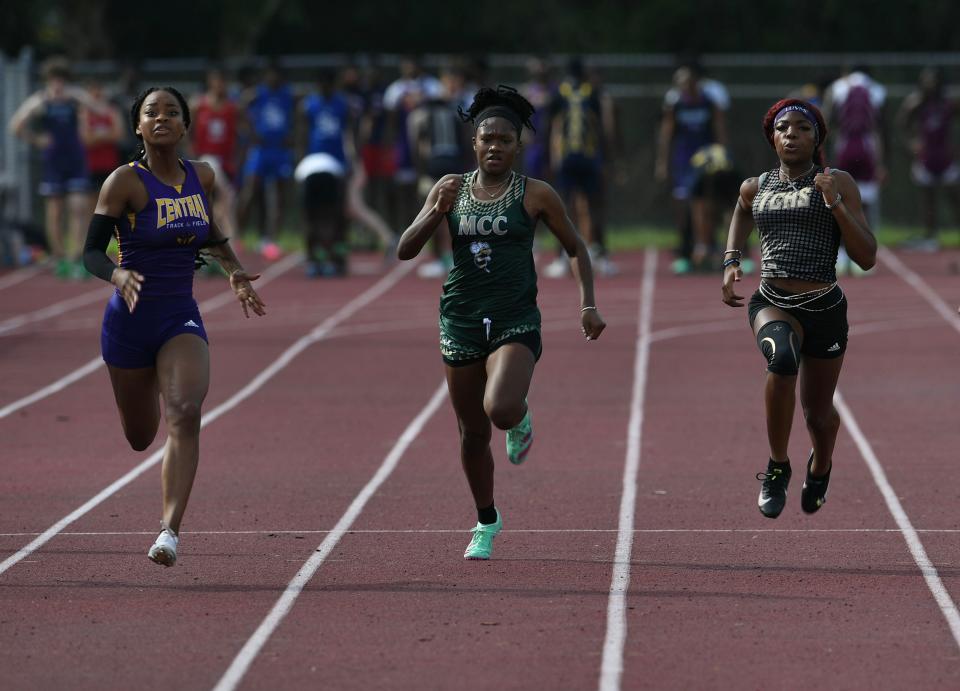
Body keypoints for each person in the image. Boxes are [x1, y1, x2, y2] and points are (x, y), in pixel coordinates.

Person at [397, 86, 606, 560]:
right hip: (460, 318)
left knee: (501, 408)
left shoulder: (536, 194)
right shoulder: (448, 187)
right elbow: (405, 250)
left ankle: (520, 416)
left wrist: (587, 304)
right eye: (487, 138)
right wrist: (434, 211)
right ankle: (486, 520)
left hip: (514, 317)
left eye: (505, 140)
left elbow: (574, 247)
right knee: (472, 433)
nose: (495, 147)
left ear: (519, 146)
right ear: (473, 142)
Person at [82, 86, 266, 566]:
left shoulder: (200, 176)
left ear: (186, 125)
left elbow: (208, 232)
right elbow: (88, 253)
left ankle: (169, 532)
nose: (161, 118)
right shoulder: (124, 182)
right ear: (137, 127)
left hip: (178, 314)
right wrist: (117, 272)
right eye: (151, 113)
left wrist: (235, 273)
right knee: (141, 435)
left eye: (172, 112)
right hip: (128, 321)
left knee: (185, 411)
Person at [721, 99, 876, 519]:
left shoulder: (836, 181)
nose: (792, 134)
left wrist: (834, 204)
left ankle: (820, 466)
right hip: (772, 300)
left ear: (818, 138)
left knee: (819, 415)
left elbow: (867, 257)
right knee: (782, 358)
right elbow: (740, 210)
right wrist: (732, 259)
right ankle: (777, 466)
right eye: (783, 128)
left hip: (824, 305)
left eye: (802, 128)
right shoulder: (757, 185)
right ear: (772, 137)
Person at [8, 56, 97, 278]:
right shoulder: (40, 101)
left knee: (78, 207)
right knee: (55, 211)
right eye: (54, 80)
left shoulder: (74, 99)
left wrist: (80, 98)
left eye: (62, 81)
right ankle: (59, 256)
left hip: (75, 160)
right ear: (48, 81)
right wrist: (36, 139)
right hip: (53, 162)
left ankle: (76, 255)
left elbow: (98, 107)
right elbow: (15, 125)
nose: (58, 85)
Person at [656, 64, 727, 274]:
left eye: (686, 81)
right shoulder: (676, 105)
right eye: (679, 83)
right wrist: (662, 163)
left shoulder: (709, 103)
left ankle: (710, 248)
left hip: (707, 162)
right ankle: (686, 251)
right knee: (684, 207)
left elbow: (719, 130)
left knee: (709, 207)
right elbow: (667, 135)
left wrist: (723, 155)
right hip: (683, 162)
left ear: (695, 82)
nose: (683, 86)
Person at [823, 65, 886, 267]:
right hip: (868, 150)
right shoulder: (877, 90)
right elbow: (881, 129)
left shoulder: (838, 87)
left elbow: (826, 121)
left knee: (839, 201)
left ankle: (840, 254)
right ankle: (864, 256)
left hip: (845, 147)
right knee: (864, 204)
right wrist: (882, 164)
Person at [896, 67, 960, 251]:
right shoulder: (917, 104)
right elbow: (901, 124)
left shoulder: (949, 104)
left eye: (933, 81)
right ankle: (930, 236)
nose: (929, 85)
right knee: (928, 199)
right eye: (926, 81)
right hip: (926, 157)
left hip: (946, 157)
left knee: (954, 197)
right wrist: (911, 143)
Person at [237, 62, 295, 261]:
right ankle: (238, 235)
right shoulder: (258, 94)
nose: (273, 79)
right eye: (270, 75)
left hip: (280, 151)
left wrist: (291, 135)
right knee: (250, 191)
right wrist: (251, 131)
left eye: (277, 75)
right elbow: (241, 105)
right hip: (260, 150)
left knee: (278, 195)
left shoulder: (287, 95)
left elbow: (296, 113)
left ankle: (272, 240)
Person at [190, 66, 241, 245]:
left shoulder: (233, 108)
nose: (220, 85)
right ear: (210, 82)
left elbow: (237, 135)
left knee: (218, 207)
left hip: (226, 162)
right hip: (205, 159)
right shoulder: (198, 105)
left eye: (223, 81)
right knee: (226, 196)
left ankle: (214, 245)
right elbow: (187, 133)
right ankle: (231, 240)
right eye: (216, 81)